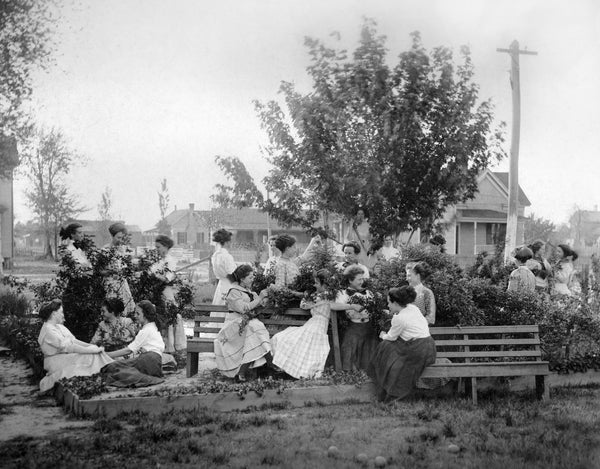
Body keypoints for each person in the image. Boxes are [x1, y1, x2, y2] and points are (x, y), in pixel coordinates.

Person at [271, 269, 361, 379]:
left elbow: (333, 306)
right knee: (284, 339)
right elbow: (303, 305)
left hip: (318, 327)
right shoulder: (317, 296)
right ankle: (289, 371)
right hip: (312, 325)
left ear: (325, 284)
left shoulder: (329, 296)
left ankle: (300, 373)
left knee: (309, 349)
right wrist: (308, 299)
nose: (314, 285)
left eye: (317, 283)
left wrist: (351, 306)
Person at [368, 286, 436, 402]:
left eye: (388, 303)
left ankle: (385, 382)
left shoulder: (400, 318)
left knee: (385, 346)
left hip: (418, 349)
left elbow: (391, 337)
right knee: (389, 349)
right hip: (429, 348)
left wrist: (382, 335)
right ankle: (385, 375)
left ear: (395, 303)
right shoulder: (413, 308)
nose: (388, 306)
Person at [37, 299, 113, 392]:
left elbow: (74, 341)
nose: (63, 315)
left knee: (92, 351)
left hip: (64, 357)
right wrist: (92, 350)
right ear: (53, 313)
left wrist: (90, 347)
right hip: (55, 361)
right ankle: (107, 372)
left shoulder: (59, 327)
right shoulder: (48, 330)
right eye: (61, 312)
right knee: (89, 356)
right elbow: (70, 347)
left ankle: (109, 369)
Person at [214, 265, 271, 381]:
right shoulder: (233, 292)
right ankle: (271, 365)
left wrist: (266, 298)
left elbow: (258, 305)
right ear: (242, 279)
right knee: (255, 328)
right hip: (234, 324)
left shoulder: (250, 292)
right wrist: (259, 299)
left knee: (255, 329)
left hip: (246, 323)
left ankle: (243, 372)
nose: (253, 279)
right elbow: (243, 309)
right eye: (250, 277)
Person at [106, 300, 166, 379]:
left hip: (148, 362)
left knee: (113, 366)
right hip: (155, 363)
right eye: (135, 313)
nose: (135, 316)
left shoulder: (146, 330)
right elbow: (159, 347)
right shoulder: (153, 326)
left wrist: (107, 355)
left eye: (138, 313)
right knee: (118, 366)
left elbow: (128, 350)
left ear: (146, 315)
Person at [335, 265, 378, 372]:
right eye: (359, 279)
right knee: (350, 345)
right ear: (350, 280)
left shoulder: (368, 292)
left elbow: (374, 308)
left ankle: (366, 371)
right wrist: (351, 306)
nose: (362, 281)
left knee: (370, 347)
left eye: (363, 279)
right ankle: (350, 371)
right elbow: (335, 305)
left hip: (368, 326)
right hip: (354, 326)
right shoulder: (343, 294)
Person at [149, 234, 186, 353]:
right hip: (156, 292)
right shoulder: (158, 261)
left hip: (166, 292)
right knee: (159, 317)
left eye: (158, 247)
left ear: (165, 247)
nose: (157, 249)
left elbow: (167, 278)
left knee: (168, 317)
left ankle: (171, 348)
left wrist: (153, 275)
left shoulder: (170, 261)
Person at [101, 222, 136, 315]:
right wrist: (111, 271)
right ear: (112, 236)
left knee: (124, 311)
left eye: (122, 238)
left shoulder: (124, 249)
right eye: (118, 237)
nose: (120, 240)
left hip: (122, 283)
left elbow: (128, 267)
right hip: (111, 284)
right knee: (112, 310)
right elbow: (100, 271)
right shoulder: (105, 250)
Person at [211, 229, 237, 306]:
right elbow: (232, 274)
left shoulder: (215, 256)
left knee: (218, 307)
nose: (230, 243)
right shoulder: (227, 256)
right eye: (229, 241)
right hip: (229, 285)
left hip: (221, 285)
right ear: (226, 242)